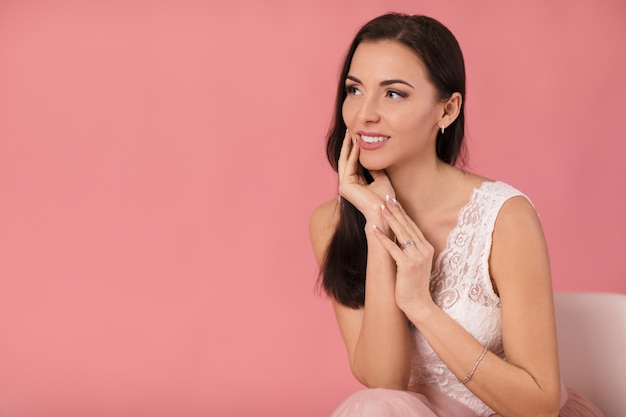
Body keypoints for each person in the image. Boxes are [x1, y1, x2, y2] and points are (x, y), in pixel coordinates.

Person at [309, 13, 604, 417]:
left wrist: (420, 306)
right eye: (355, 90)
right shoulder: (332, 223)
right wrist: (378, 224)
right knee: (374, 406)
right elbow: (385, 381)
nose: (364, 114)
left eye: (393, 94)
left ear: (446, 110)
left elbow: (539, 404)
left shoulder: (505, 218)